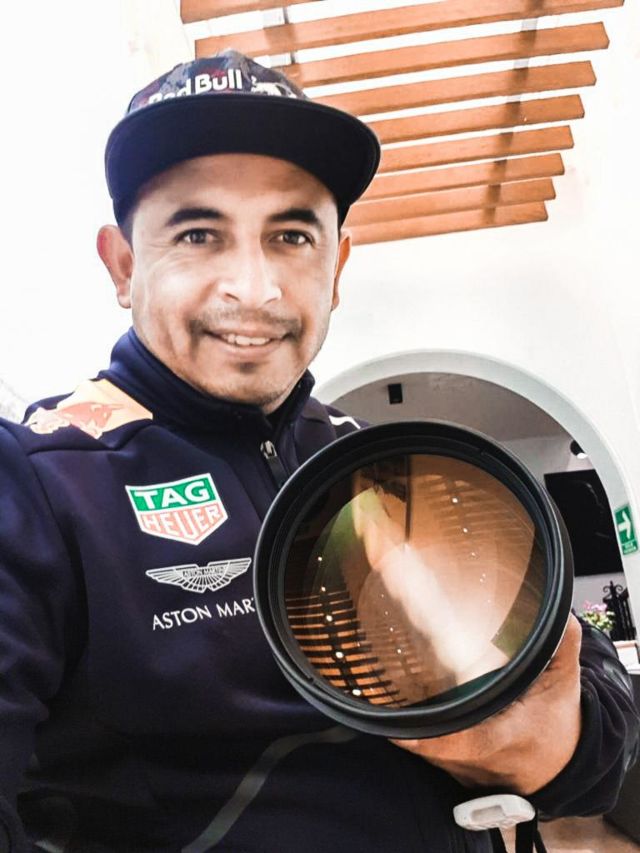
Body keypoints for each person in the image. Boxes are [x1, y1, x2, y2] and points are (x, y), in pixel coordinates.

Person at [0, 49, 637, 853]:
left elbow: (590, 680)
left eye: (292, 234)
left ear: (336, 267)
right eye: (198, 233)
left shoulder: (386, 462)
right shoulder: (37, 482)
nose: (255, 289)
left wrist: (557, 745)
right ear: (124, 266)